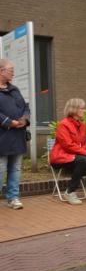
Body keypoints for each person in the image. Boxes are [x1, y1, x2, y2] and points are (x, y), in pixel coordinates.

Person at [49, 99, 86, 205]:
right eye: (82, 108)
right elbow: (67, 145)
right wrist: (85, 152)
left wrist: (85, 151)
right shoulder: (63, 124)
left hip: (75, 155)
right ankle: (70, 192)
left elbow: (83, 143)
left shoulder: (82, 125)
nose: (85, 110)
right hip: (61, 157)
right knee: (84, 160)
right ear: (74, 110)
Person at [0, 59, 29, 210]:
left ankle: (13, 198)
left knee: (16, 168)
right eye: (11, 70)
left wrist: (25, 119)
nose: (13, 73)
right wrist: (7, 121)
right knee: (1, 168)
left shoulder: (15, 89)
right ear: (1, 71)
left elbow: (25, 107)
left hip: (18, 136)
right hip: (2, 137)